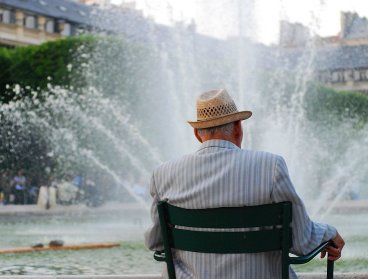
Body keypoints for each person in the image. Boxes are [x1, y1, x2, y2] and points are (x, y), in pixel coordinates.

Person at [144, 89, 345, 279]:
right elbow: (303, 242)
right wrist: (329, 232)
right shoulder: (271, 166)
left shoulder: (162, 174)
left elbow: (155, 242)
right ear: (239, 127)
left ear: (197, 135)